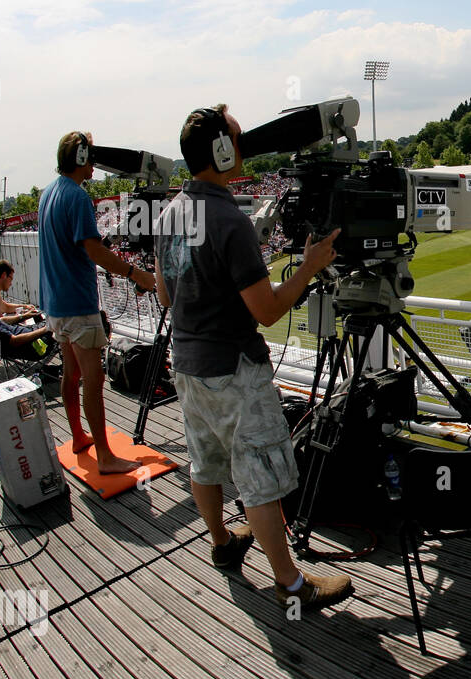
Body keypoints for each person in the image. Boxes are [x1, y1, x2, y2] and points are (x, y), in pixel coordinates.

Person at [156, 104, 352, 611]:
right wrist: (308, 266)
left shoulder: (171, 212)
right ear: (222, 152)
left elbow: (163, 295)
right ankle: (292, 585)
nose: (243, 148)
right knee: (260, 481)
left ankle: (223, 544)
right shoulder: (229, 220)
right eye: (237, 140)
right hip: (235, 372)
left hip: (188, 365)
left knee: (205, 462)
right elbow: (266, 311)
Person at [38, 131, 156, 473]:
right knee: (93, 378)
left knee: (70, 374)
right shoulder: (76, 197)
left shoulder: (49, 193)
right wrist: (136, 274)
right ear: (79, 159)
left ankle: (78, 437)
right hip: (77, 303)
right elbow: (95, 251)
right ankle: (105, 457)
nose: (94, 165)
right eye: (90, 158)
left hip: (56, 305)